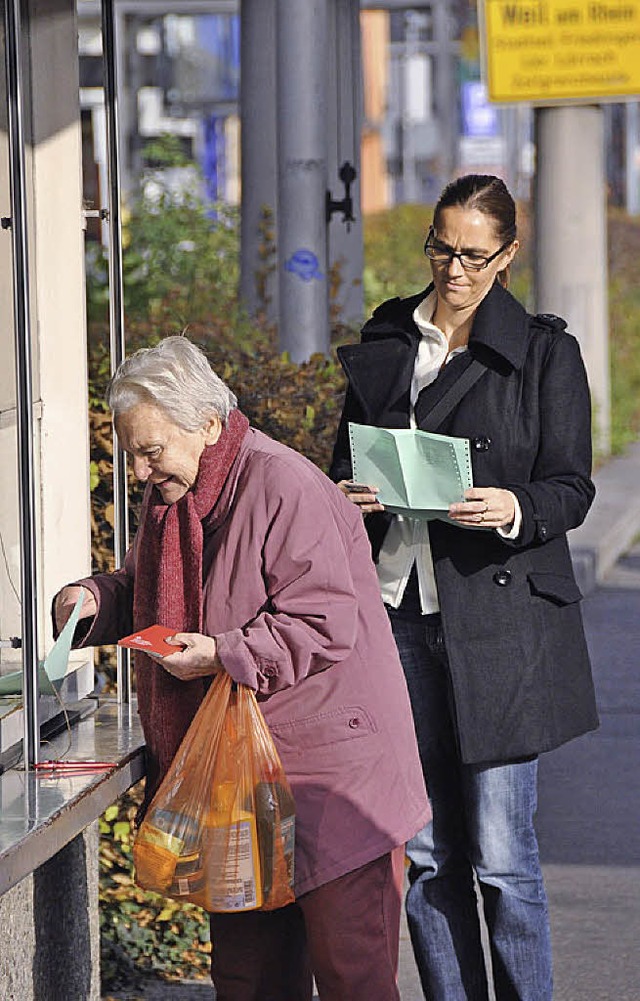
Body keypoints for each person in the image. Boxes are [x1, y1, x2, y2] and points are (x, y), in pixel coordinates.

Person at [53, 335, 429, 1001]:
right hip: (241, 774)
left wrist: (224, 651)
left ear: (204, 423)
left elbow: (322, 621)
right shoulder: (177, 498)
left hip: (333, 772)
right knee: (248, 978)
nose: (139, 470)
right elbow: (140, 587)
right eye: (132, 452)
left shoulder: (282, 482)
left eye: (149, 450)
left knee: (352, 973)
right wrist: (90, 601)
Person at [329, 174, 598, 1001]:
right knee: (421, 849)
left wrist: (514, 504)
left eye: (475, 255)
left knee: (502, 856)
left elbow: (571, 486)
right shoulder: (387, 335)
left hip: (499, 620)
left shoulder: (544, 351)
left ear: (508, 255)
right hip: (398, 611)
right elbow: (342, 460)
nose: (454, 269)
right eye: (442, 248)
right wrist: (349, 493)